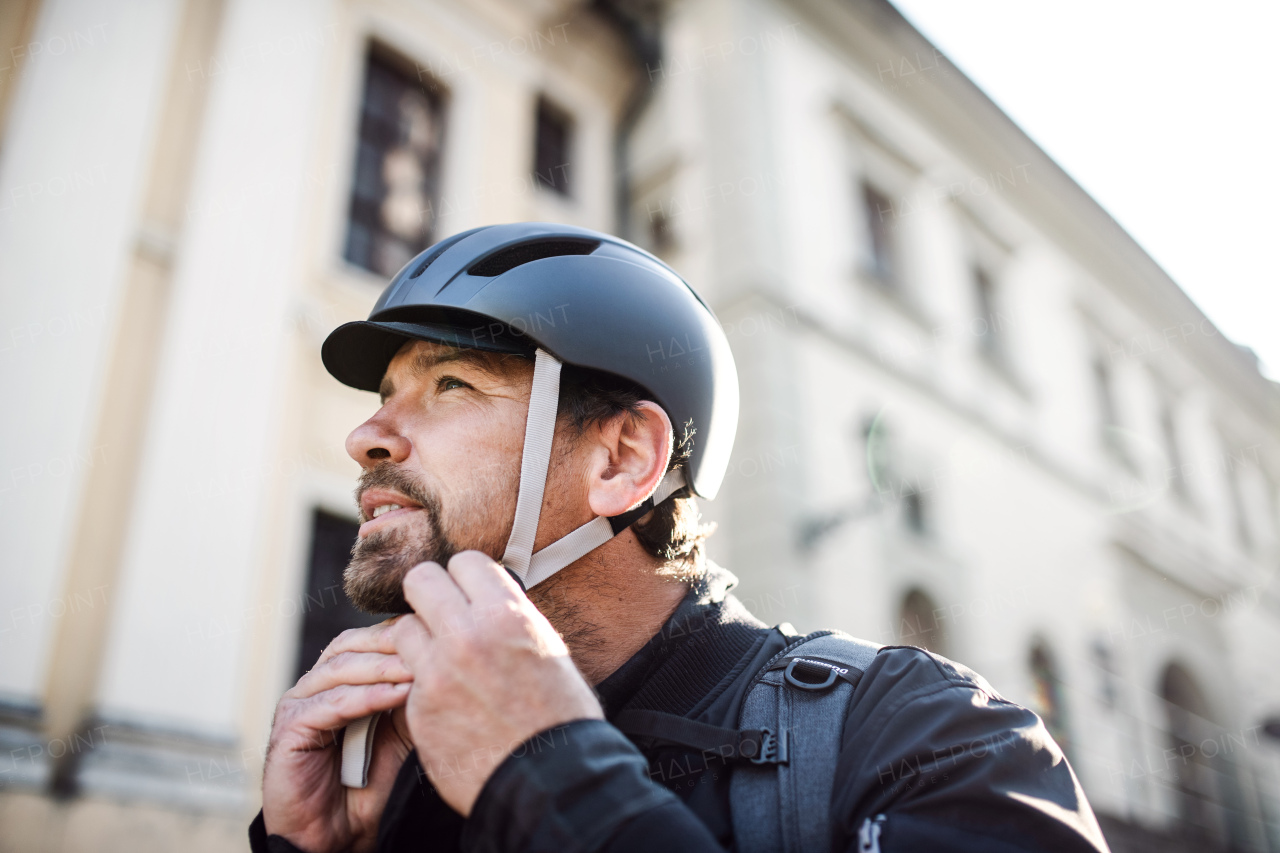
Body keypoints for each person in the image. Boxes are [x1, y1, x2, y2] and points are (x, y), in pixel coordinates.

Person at [251, 223, 1110, 852]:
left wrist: (547, 777)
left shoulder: (922, 741)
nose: (366, 437)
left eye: (450, 382)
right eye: (383, 396)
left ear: (624, 460)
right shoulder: (399, 774)